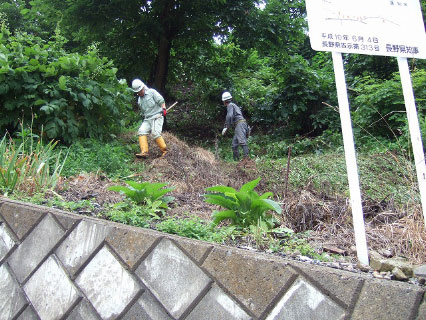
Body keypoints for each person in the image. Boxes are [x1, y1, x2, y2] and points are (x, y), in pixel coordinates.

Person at [131, 79, 168, 158]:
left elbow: (161, 100)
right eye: (137, 92)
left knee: (155, 133)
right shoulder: (139, 100)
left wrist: (164, 109)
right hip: (147, 119)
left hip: (157, 116)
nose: (139, 93)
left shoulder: (152, 92)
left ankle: (165, 151)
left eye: (140, 91)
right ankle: (144, 152)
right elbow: (143, 112)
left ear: (143, 87)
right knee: (141, 131)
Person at [221, 91, 249, 161]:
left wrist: (226, 127)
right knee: (234, 144)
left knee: (242, 142)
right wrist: (226, 126)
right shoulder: (233, 105)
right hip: (239, 125)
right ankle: (236, 161)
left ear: (224, 101)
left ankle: (247, 160)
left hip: (240, 124)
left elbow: (229, 116)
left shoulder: (230, 105)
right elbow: (230, 116)